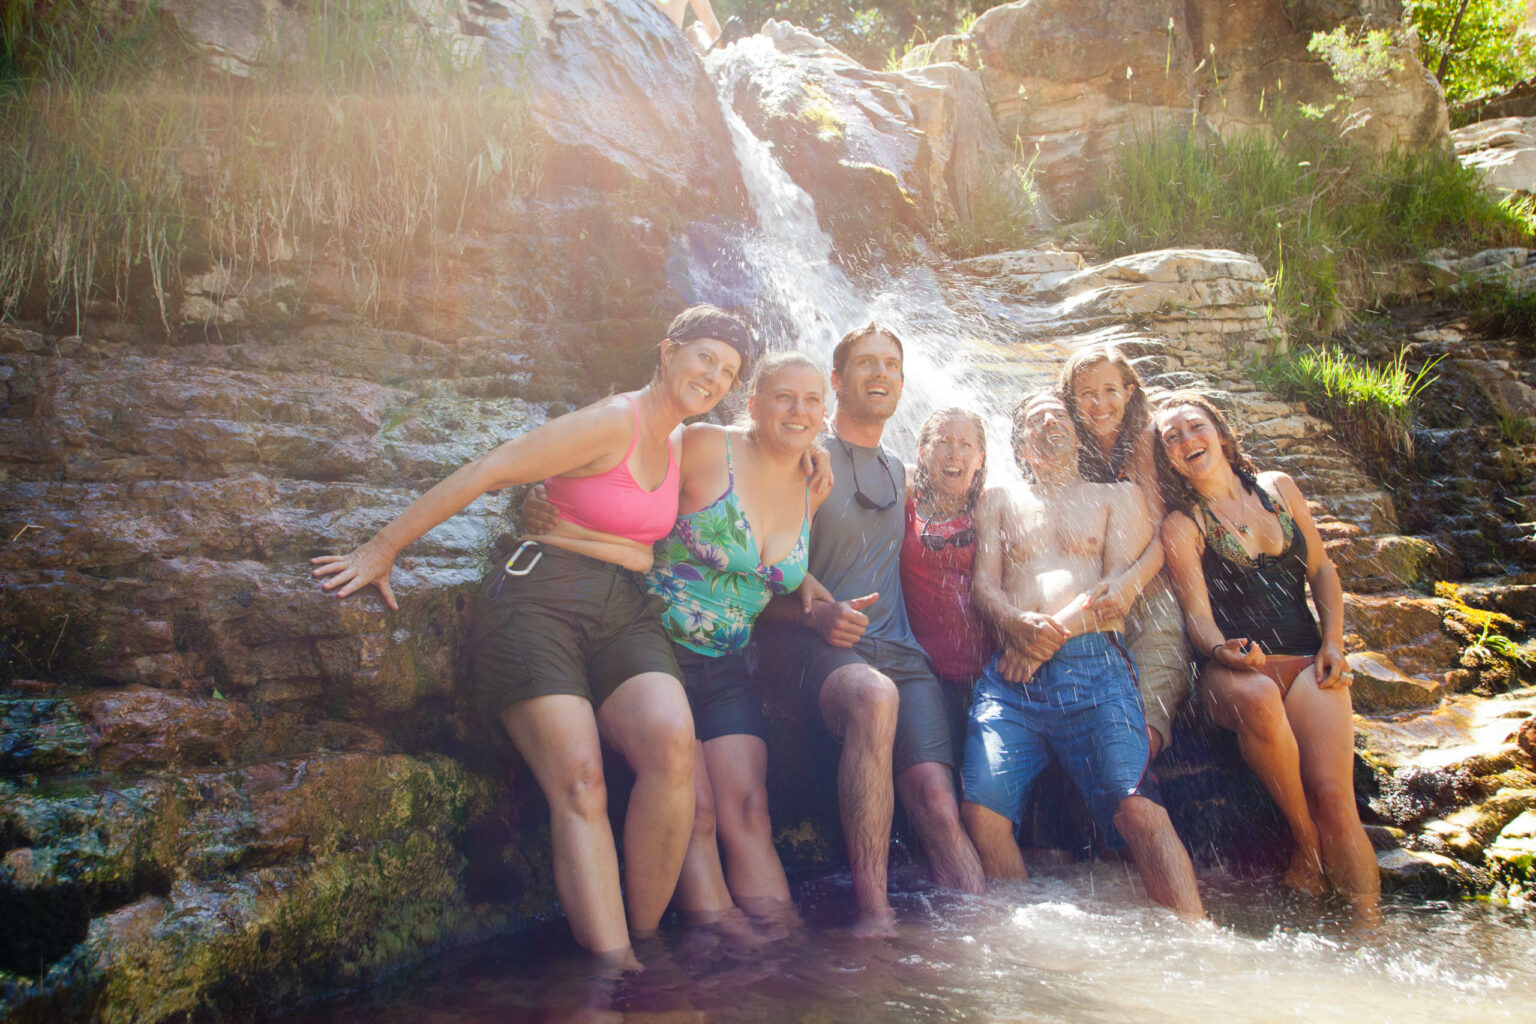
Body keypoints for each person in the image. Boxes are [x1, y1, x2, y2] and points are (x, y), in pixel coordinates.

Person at [311, 305, 754, 967]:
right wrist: (382, 547)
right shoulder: (613, 420)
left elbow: (776, 435)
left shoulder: (684, 440)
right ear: (667, 352)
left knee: (673, 749)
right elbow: (494, 468)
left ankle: (645, 943)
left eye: (727, 371)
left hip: (624, 610)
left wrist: (816, 466)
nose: (714, 377)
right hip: (541, 595)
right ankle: (616, 973)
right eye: (704, 359)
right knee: (581, 780)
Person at [527, 352, 833, 941]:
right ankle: (720, 949)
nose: (798, 411)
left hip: (727, 665)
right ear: (754, 403)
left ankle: (784, 949)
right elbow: (620, 473)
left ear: (825, 411)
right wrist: (544, 501)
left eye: (812, 400)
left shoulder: (812, 480)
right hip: (654, 650)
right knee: (697, 814)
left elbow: (772, 577)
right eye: (784, 397)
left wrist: (817, 597)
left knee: (750, 813)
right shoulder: (698, 445)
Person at [760, 323, 986, 939]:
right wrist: (813, 612)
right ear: (837, 381)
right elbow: (751, 576)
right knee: (873, 695)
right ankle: (875, 917)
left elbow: (968, 524)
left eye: (891, 364)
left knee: (938, 802)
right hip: (812, 644)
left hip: (902, 653)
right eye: (865, 364)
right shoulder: (802, 457)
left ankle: (984, 938)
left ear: (903, 383)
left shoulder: (903, 472)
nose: (880, 374)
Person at [961, 389, 1203, 919]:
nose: (1047, 421)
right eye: (1032, 417)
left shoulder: (1116, 496)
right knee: (981, 812)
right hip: (1012, 679)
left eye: (1058, 415)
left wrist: (1045, 641)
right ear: (1019, 443)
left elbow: (1119, 592)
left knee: (1137, 807)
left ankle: (1197, 937)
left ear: (1077, 433)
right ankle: (1025, 938)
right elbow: (985, 588)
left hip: (1095, 669)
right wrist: (1014, 623)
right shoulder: (999, 499)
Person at [1154, 391, 1380, 919]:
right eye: (1172, 437)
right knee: (1256, 693)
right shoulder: (1183, 525)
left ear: (1223, 434)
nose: (1187, 440)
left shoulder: (1278, 488)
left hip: (1305, 659)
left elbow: (1322, 569)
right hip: (1231, 671)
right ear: (1167, 459)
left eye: (1195, 426)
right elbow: (1197, 615)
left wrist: (1333, 643)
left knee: (1336, 800)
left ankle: (1372, 927)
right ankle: (1304, 842)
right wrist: (1221, 649)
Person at [1059, 344, 1191, 760]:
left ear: (1130, 391)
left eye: (1110, 390)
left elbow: (1164, 533)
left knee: (1145, 723)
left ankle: (1139, 792)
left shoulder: (1146, 440)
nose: (1100, 404)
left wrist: (1130, 585)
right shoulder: (1070, 447)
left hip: (1151, 599)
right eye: (1086, 393)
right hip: (1096, 608)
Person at [900, 407, 995, 754]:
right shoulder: (905, 501)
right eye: (943, 442)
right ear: (923, 453)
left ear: (980, 458)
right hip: (924, 673)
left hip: (993, 675)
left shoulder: (992, 506)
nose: (955, 453)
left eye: (966, 444)